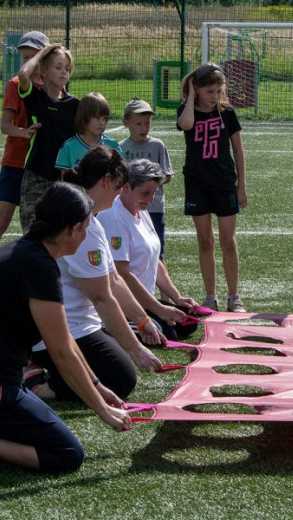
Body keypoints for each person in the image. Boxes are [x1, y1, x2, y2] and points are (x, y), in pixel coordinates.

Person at [0, 183, 132, 474]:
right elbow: (61, 353)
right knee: (67, 454)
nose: (88, 234)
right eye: (87, 226)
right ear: (74, 229)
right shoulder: (38, 267)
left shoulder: (26, 251)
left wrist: (97, 387)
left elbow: (65, 339)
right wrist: (102, 410)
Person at [27, 146, 164, 402]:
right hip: (62, 329)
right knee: (120, 378)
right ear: (106, 181)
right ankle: (37, 381)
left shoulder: (92, 219)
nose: (119, 194)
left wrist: (142, 320)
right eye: (118, 186)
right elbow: (102, 297)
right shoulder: (84, 225)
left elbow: (114, 280)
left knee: (119, 357)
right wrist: (136, 349)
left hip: (77, 323)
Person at [98, 159, 199, 341]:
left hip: (142, 301)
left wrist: (176, 297)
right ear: (126, 187)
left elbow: (155, 259)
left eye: (154, 193)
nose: (151, 199)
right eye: (145, 193)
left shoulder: (140, 209)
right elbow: (122, 274)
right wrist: (159, 309)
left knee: (188, 322)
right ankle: (106, 327)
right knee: (168, 333)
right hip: (122, 303)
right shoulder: (114, 218)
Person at [177, 63, 247, 312]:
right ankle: (210, 296)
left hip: (224, 183)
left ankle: (234, 296)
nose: (215, 96)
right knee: (205, 241)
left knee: (228, 241)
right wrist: (191, 96)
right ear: (197, 88)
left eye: (218, 91)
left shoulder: (227, 112)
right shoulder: (185, 110)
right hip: (197, 184)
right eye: (209, 91)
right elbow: (186, 125)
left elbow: (238, 149)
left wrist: (241, 185)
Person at [0, 31, 48, 262]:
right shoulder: (15, 84)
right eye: (24, 56)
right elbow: (5, 126)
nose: (27, 60)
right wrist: (24, 133)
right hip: (16, 163)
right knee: (3, 218)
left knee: (41, 222)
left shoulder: (54, 85)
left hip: (42, 165)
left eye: (32, 55)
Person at [18, 44, 79, 233]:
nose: (63, 72)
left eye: (67, 68)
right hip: (36, 175)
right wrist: (43, 53)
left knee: (61, 233)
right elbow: (23, 74)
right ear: (43, 70)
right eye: (58, 67)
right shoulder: (36, 98)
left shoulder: (75, 104)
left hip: (64, 179)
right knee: (32, 232)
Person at [120, 98, 173, 262]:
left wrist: (147, 184)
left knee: (156, 252)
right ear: (126, 123)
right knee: (130, 253)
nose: (144, 128)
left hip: (153, 207)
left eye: (147, 123)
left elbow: (167, 175)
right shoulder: (121, 148)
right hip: (128, 208)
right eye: (138, 124)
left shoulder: (157, 145)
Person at [55, 92, 123, 173]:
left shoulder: (112, 145)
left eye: (105, 118)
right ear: (84, 116)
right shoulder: (68, 147)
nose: (102, 123)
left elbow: (121, 174)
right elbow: (65, 179)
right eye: (97, 118)